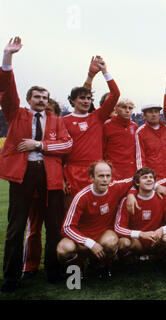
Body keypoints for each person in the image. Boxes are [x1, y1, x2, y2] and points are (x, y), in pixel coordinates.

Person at [0, 37, 73, 292]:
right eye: (37, 96)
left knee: (55, 225)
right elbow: (7, 90)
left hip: (50, 174)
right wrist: (8, 57)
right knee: (16, 226)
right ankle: (12, 277)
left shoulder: (57, 121)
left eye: (45, 97)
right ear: (29, 99)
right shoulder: (16, 114)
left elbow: (67, 146)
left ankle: (53, 272)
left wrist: (39, 145)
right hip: (22, 173)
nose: (41, 100)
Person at [57, 161, 132, 279]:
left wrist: (132, 193)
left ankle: (104, 266)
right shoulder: (82, 197)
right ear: (92, 178)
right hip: (82, 239)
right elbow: (66, 227)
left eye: (108, 176)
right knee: (63, 249)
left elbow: (137, 179)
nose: (105, 179)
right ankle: (77, 269)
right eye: (101, 176)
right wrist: (90, 243)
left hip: (102, 235)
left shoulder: (116, 187)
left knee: (111, 241)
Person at [62, 56, 120, 198]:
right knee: (73, 212)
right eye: (82, 98)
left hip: (96, 171)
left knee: (96, 213)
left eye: (89, 98)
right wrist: (61, 178)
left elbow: (115, 94)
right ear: (72, 101)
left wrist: (105, 71)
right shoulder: (63, 121)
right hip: (72, 172)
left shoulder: (97, 117)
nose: (86, 101)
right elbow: (59, 155)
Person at [22, 98, 63, 278]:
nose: (47, 114)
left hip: (55, 186)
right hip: (33, 187)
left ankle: (53, 266)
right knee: (33, 228)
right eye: (45, 110)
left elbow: (67, 157)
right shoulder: (31, 130)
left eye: (51, 111)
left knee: (56, 228)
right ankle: (30, 266)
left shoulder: (59, 130)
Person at [115, 168, 166, 261]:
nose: (149, 179)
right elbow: (118, 227)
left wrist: (161, 230)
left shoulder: (162, 197)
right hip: (137, 242)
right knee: (123, 242)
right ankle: (129, 262)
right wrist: (140, 234)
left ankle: (163, 260)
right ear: (137, 183)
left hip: (156, 240)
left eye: (151, 177)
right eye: (144, 177)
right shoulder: (128, 201)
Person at [103, 99, 138, 180]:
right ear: (116, 108)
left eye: (130, 108)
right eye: (124, 107)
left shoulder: (134, 126)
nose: (127, 110)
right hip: (113, 169)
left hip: (131, 170)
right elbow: (102, 148)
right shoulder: (107, 125)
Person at [135, 104, 166, 179]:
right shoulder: (140, 132)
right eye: (150, 112)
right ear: (144, 115)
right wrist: (145, 177)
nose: (154, 114)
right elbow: (140, 158)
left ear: (159, 114)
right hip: (152, 178)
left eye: (156, 112)